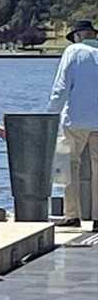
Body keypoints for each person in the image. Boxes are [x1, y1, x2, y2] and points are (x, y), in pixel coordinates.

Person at [48, 20, 98, 230]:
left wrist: (50, 113)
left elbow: (61, 86)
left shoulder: (73, 51)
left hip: (75, 119)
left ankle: (72, 215)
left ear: (77, 35)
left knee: (68, 166)